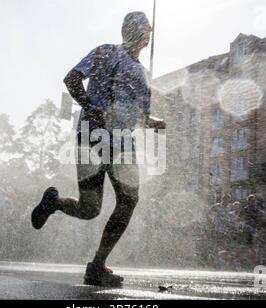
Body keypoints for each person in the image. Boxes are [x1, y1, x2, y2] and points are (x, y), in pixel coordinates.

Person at [30, 12, 165, 287]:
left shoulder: (144, 73)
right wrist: (90, 106)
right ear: (127, 30)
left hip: (123, 144)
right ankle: (54, 203)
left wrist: (152, 122)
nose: (146, 34)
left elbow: (138, 115)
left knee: (128, 199)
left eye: (148, 30)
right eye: (141, 28)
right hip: (93, 136)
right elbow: (71, 79)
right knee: (90, 208)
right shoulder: (106, 52)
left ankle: (97, 265)